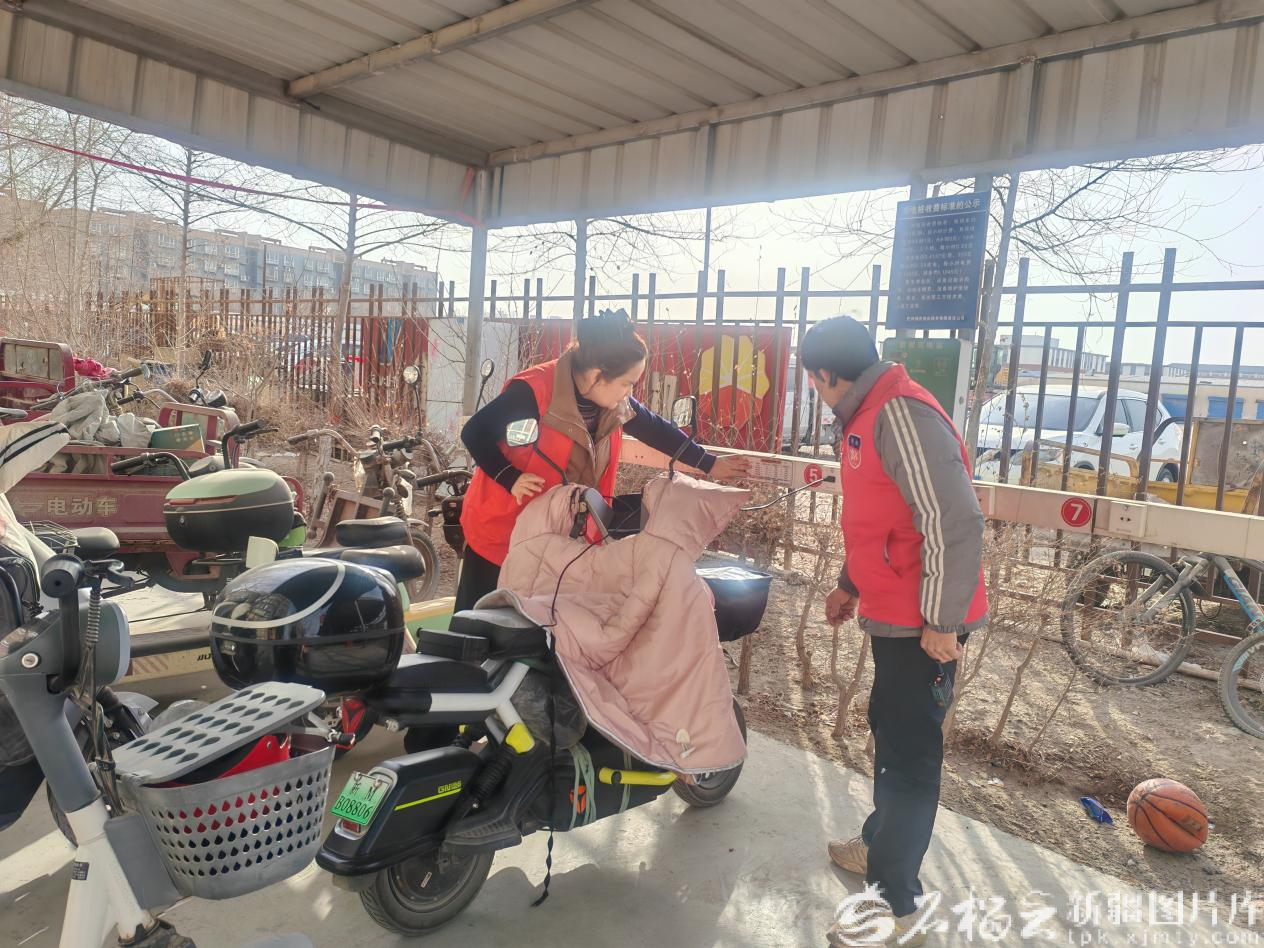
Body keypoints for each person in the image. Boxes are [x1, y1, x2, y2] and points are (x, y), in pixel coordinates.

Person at [803, 317, 988, 947]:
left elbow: (955, 521)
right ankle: (881, 844)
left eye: (813, 382)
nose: (815, 391)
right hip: (898, 610)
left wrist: (942, 620)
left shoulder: (900, 412)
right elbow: (880, 517)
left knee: (909, 756)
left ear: (825, 374)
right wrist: (849, 583)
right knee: (890, 729)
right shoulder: (866, 413)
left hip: (924, 623)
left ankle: (894, 902)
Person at [456, 309, 750, 612]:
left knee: (541, 628)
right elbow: (475, 431)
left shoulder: (613, 403)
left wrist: (710, 463)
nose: (630, 393)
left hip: (560, 543)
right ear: (598, 375)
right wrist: (510, 477)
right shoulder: (534, 391)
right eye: (627, 383)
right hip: (501, 534)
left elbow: (653, 428)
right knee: (477, 625)